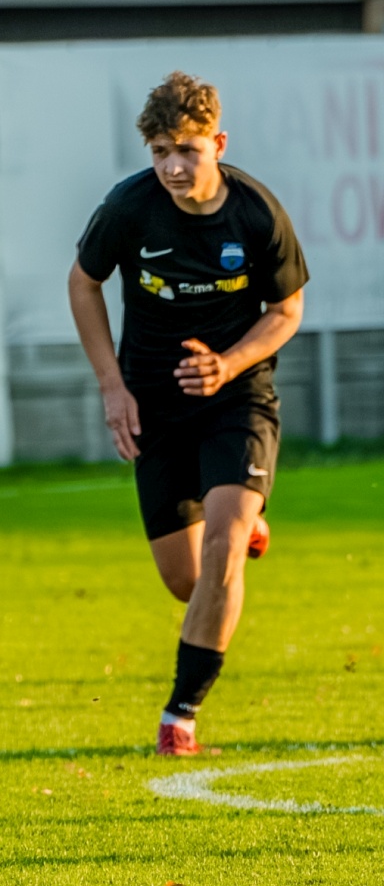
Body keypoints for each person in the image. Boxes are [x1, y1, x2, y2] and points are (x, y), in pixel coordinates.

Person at [67, 71, 308, 755]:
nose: (174, 167)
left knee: (223, 548)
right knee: (187, 580)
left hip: (238, 398)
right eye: (161, 152)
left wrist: (228, 364)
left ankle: (181, 715)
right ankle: (240, 526)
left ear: (218, 145)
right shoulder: (129, 208)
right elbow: (83, 283)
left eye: (188, 150)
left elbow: (287, 310)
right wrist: (112, 387)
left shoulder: (257, 213)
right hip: (155, 403)